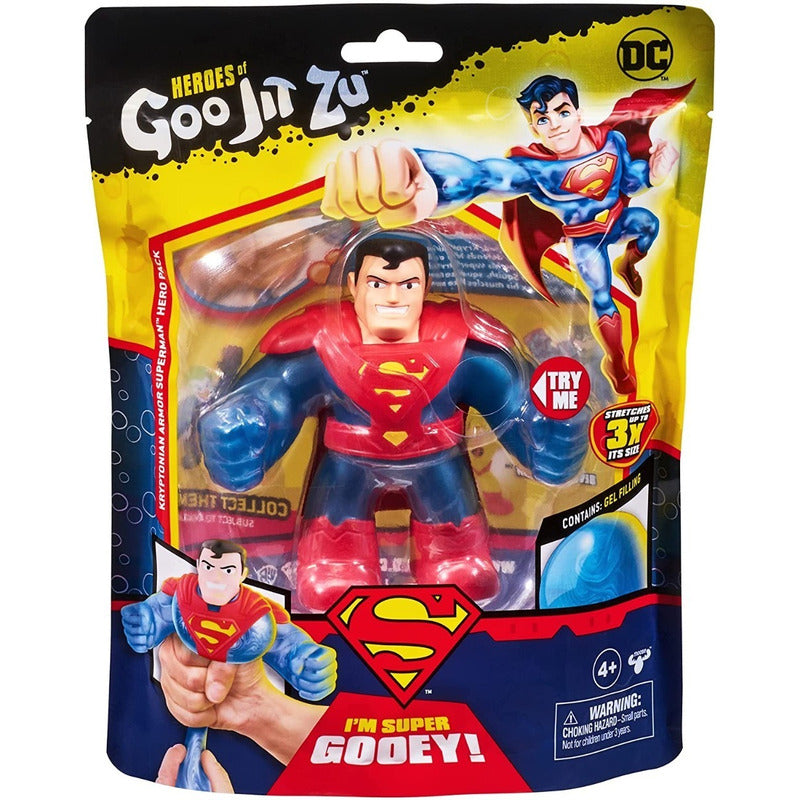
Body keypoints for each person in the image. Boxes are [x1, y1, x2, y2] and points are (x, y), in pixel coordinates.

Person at [198, 232, 587, 612]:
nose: (393, 296)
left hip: (437, 459)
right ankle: (336, 560)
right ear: (353, 285)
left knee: (456, 549)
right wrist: (247, 421)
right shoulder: (323, 339)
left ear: (426, 287)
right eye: (378, 283)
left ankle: (454, 555)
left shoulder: (462, 340)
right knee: (336, 542)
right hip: (348, 462)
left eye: (408, 284)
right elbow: (280, 389)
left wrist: (543, 429)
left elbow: (505, 389)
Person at [321, 76, 691, 394]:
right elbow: (485, 176)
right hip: (586, 240)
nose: (555, 124)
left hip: (620, 221)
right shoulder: (538, 172)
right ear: (534, 129)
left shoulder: (613, 142)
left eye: (562, 112)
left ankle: (629, 262)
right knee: (602, 301)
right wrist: (424, 172)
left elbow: (630, 181)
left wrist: (654, 175)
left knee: (650, 225)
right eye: (542, 119)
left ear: (578, 113)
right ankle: (618, 362)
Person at [121, 539, 336, 789]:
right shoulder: (182, 593)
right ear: (198, 567)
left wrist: (307, 665)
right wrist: (144, 623)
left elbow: (286, 645)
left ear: (242, 575)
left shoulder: (258, 613)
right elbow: (157, 613)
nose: (216, 578)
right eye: (208, 567)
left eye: (227, 570)